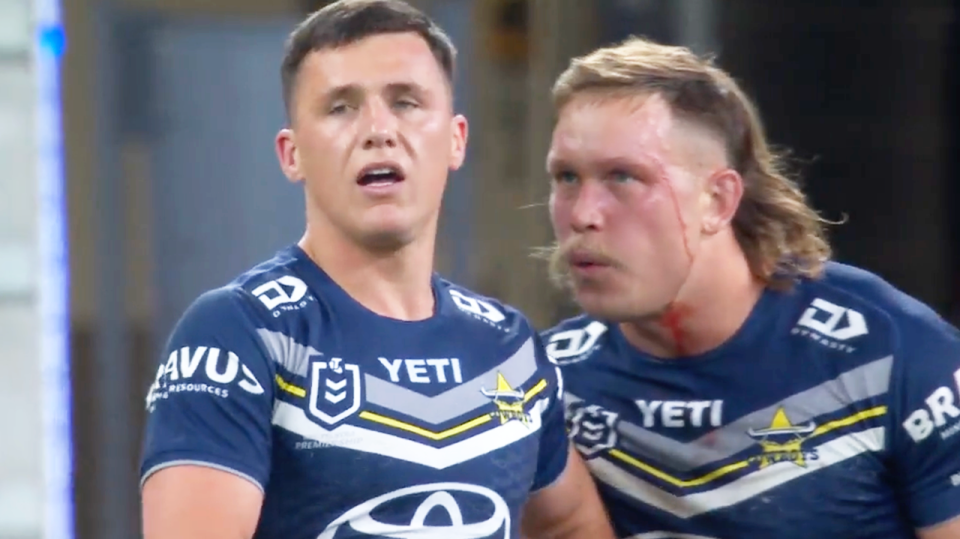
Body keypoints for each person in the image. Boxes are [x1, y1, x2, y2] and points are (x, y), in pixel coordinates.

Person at [138, 1, 615, 538]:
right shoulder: (241, 333)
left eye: (406, 102)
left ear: (456, 139)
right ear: (290, 154)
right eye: (341, 107)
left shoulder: (508, 348)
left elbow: (572, 523)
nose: (378, 130)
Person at [538, 36, 960, 539]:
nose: (583, 214)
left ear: (717, 200)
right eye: (566, 177)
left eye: (624, 177)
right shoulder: (548, 383)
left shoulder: (890, 353)